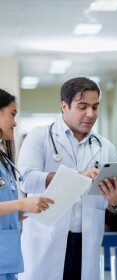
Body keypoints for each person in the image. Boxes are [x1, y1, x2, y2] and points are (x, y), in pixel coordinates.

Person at [17, 77, 117, 280]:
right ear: (64, 106)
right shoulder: (40, 137)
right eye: (83, 107)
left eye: (95, 107)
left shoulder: (105, 147)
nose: (91, 114)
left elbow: (116, 204)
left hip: (86, 244)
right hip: (45, 243)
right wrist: (75, 178)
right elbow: (26, 178)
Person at [0, 89, 53, 280]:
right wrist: (22, 204)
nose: (15, 123)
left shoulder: (4, 160)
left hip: (7, 261)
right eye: (12, 114)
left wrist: (30, 210)